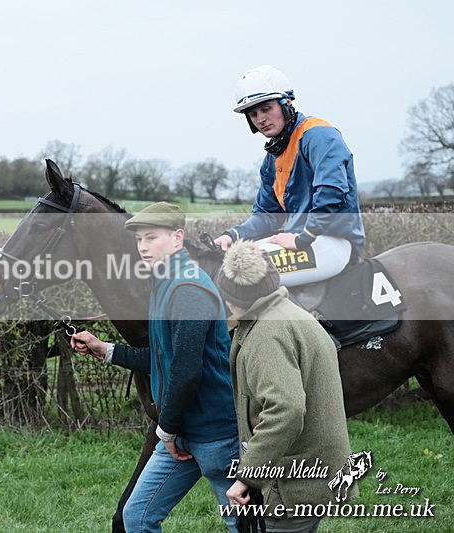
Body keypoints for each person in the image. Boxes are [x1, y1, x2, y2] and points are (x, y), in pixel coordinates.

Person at [71, 202, 239, 532]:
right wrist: (105, 350)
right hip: (181, 433)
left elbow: (187, 372)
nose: (143, 247)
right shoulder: (163, 283)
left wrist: (167, 430)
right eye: (138, 240)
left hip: (216, 437)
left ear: (178, 238)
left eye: (152, 238)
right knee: (138, 517)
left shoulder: (188, 290)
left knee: (243, 525)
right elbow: (164, 358)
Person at [214, 240, 355, 532]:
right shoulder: (288, 312)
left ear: (230, 296)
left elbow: (286, 410)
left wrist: (247, 476)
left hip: (293, 486)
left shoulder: (268, 334)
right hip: (312, 473)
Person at [214, 65, 366, 286]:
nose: (260, 118)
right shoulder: (272, 158)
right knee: (226, 267)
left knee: (242, 274)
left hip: (334, 242)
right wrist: (233, 235)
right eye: (253, 114)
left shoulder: (319, 134)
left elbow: (332, 194)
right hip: (299, 240)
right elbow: (268, 215)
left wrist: (304, 237)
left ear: (287, 103)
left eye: (266, 109)